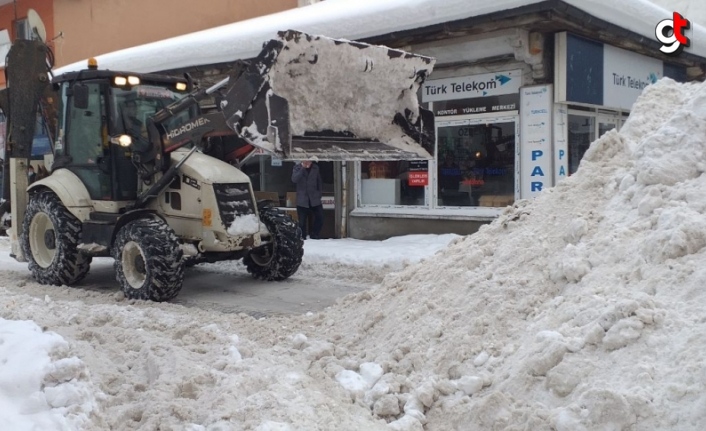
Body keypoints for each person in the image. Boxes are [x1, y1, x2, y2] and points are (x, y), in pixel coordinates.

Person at [291, 159, 324, 239]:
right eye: (306, 161)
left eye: (309, 161)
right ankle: (303, 237)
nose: (308, 162)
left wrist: (319, 193)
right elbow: (294, 179)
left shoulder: (315, 168)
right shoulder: (297, 167)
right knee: (302, 222)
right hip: (302, 199)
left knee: (320, 217)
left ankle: (314, 234)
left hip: (314, 199)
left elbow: (319, 181)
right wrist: (303, 168)